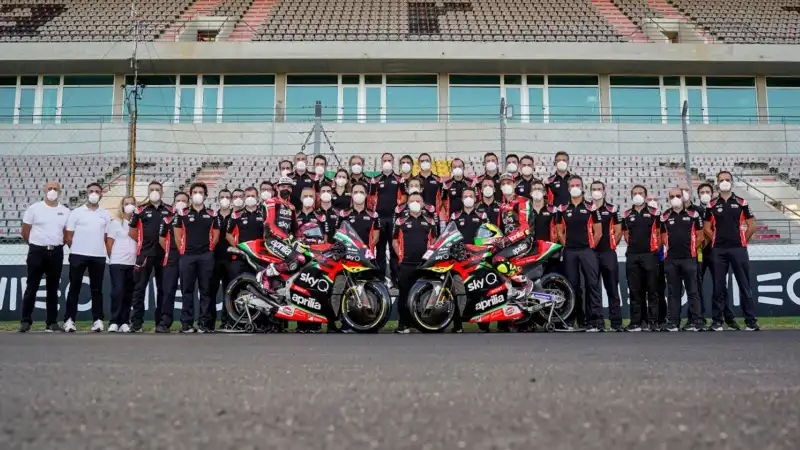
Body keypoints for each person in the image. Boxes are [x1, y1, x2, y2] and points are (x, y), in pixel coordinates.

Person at [704, 171, 759, 331]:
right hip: (718, 250)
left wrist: (742, 241)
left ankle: (750, 321)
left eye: (727, 179)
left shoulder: (742, 202)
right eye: (721, 180)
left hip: (738, 249)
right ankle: (717, 321)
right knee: (718, 286)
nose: (724, 182)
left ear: (732, 182)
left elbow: (752, 226)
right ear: (717, 183)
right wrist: (716, 239)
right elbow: (707, 228)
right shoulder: (711, 205)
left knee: (744, 284)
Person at [18, 181, 70, 333]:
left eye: (55, 189)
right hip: (37, 252)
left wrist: (57, 245)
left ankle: (51, 322)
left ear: (60, 192)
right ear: (44, 190)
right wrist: (35, 245)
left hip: (56, 252)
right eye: (50, 188)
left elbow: (66, 233)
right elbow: (25, 231)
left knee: (53, 288)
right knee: (31, 286)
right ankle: (25, 321)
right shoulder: (34, 208)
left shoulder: (65, 211)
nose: (52, 191)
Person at [556, 175, 603, 331]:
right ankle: (572, 320)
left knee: (592, 284)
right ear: (568, 188)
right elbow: (559, 231)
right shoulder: (562, 208)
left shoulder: (591, 207)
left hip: (587, 251)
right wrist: (567, 245)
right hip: (570, 252)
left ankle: (595, 321)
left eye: (578, 185)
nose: (575, 187)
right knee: (571, 286)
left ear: (582, 187)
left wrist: (590, 246)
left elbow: (598, 232)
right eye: (572, 185)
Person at [63, 182, 111, 332]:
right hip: (78, 255)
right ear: (87, 193)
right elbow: (68, 235)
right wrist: (76, 249)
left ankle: (97, 320)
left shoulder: (105, 214)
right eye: (91, 191)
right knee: (74, 288)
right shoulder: (76, 212)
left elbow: (106, 236)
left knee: (96, 289)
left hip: (98, 256)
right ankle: (69, 320)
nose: (94, 193)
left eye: (97, 191)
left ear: (101, 194)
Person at [173, 182, 220, 333]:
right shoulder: (182, 213)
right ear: (191, 195)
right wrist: (183, 251)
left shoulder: (213, 214)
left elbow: (216, 236)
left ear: (206, 196)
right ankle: (186, 324)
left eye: (201, 192)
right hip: (187, 256)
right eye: (195, 192)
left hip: (206, 256)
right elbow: (177, 235)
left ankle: (204, 324)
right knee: (187, 291)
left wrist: (209, 250)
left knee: (206, 291)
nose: (198, 194)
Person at [129, 181, 171, 332]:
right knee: (139, 289)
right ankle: (136, 323)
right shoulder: (140, 210)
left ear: (162, 192)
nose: (154, 192)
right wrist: (144, 242)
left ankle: (160, 323)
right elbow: (132, 232)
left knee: (163, 289)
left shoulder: (170, 210)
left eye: (157, 189)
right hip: (145, 254)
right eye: (152, 189)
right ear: (148, 192)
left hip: (164, 255)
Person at [393, 192, 438, 334]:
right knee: (404, 295)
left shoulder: (430, 221)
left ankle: (421, 323)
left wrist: (429, 257)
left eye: (418, 201)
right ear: (407, 204)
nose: (415, 203)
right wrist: (400, 255)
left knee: (424, 294)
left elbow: (435, 241)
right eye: (412, 201)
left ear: (423, 204)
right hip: (406, 264)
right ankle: (403, 324)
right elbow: (394, 241)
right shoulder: (400, 221)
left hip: (424, 265)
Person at [660, 187, 704, 332]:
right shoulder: (664, 216)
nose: (675, 198)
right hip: (671, 260)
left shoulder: (694, 214)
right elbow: (662, 236)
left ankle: (697, 321)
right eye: (672, 196)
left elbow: (700, 236)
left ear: (683, 197)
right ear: (668, 199)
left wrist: (691, 249)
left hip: (689, 259)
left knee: (693, 291)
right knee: (673, 292)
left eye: (678, 195)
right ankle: (673, 322)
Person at [696, 183, 736, 329]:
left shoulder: (717, 207)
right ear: (698, 195)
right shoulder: (694, 211)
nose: (705, 194)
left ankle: (727, 318)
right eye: (702, 192)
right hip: (699, 254)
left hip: (717, 252)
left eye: (707, 191)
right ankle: (698, 319)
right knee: (696, 286)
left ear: (713, 193)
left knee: (721, 286)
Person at [621, 185, 661, 332]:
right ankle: (636, 322)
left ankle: (653, 321)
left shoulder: (654, 213)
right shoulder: (626, 214)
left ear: (645, 195)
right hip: (632, 255)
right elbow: (626, 234)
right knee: (635, 290)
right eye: (635, 193)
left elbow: (659, 234)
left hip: (650, 255)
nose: (638, 195)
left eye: (640, 193)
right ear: (631, 196)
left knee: (652, 289)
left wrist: (654, 249)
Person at [589, 180, 623, 332]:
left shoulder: (612, 209)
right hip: (591, 254)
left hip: (608, 253)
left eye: (599, 188)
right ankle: (596, 322)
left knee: (612, 288)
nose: (596, 191)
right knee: (593, 288)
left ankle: (616, 323)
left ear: (604, 191)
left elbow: (618, 231)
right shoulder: (587, 208)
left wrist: (611, 245)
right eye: (594, 189)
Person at [295, 186, 327, 334]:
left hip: (316, 257)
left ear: (315, 199)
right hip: (299, 257)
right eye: (305, 196)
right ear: (301, 198)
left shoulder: (321, 217)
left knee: (316, 288)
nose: (308, 198)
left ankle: (315, 324)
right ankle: (301, 324)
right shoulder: (295, 216)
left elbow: (325, 238)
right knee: (300, 289)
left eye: (311, 196)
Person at [370, 153, 406, 286]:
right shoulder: (375, 180)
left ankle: (396, 279)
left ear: (393, 162)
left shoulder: (399, 179)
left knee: (394, 249)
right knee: (379, 249)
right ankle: (380, 279)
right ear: (381, 162)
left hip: (394, 218)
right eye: (385, 160)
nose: (387, 162)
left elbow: (405, 196)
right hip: (379, 217)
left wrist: (399, 205)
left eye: (389, 160)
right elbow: (371, 197)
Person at [156, 192, 188, 333]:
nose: (181, 203)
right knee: (168, 291)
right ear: (174, 203)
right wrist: (170, 250)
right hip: (171, 259)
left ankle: (186, 323)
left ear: (188, 203)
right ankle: (164, 322)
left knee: (187, 291)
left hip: (188, 258)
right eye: (178, 200)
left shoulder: (191, 218)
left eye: (184, 200)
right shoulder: (167, 219)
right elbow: (162, 239)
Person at [106, 196, 138, 333]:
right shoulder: (115, 223)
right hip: (117, 262)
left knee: (128, 292)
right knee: (117, 291)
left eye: (132, 203)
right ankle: (114, 321)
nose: (129, 206)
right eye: (126, 203)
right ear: (122, 206)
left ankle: (125, 321)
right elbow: (109, 243)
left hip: (133, 263)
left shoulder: (139, 223)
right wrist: (113, 257)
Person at [211, 189, 235, 331]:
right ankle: (210, 323)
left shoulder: (235, 216)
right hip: (214, 259)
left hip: (231, 259)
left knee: (229, 292)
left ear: (231, 200)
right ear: (218, 199)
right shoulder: (213, 216)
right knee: (211, 291)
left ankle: (227, 322)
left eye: (227, 197)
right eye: (222, 197)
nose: (224, 199)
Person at [646, 193, 667, 330]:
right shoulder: (640, 217)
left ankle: (661, 319)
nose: (652, 201)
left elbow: (662, 238)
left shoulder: (661, 217)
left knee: (659, 291)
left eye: (655, 200)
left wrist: (654, 251)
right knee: (644, 290)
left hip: (659, 259)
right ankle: (646, 319)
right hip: (643, 258)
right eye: (650, 199)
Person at [339, 181, 379, 251]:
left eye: (361, 192)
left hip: (367, 253)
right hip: (349, 253)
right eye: (355, 192)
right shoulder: (343, 213)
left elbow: (376, 237)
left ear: (366, 194)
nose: (358, 194)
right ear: (351, 194)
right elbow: (339, 235)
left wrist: (366, 249)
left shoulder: (373, 215)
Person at [416, 152, 442, 217]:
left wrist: (437, 211)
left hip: (434, 214)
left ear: (431, 163)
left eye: (427, 161)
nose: (425, 163)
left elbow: (443, 199)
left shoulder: (438, 180)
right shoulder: (414, 180)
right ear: (418, 164)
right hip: (417, 214)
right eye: (422, 161)